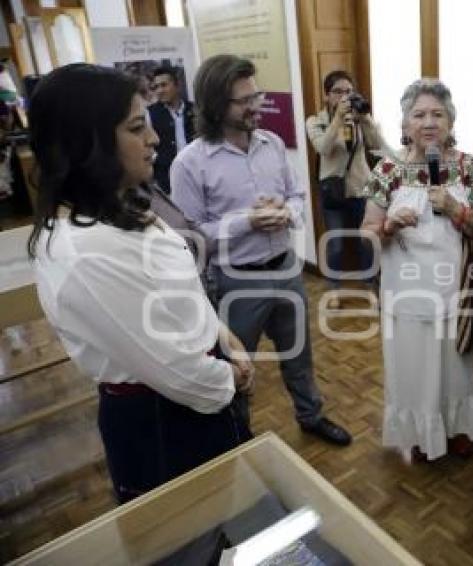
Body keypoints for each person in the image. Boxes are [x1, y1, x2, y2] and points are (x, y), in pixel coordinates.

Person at [27, 63, 254, 503]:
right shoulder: (84, 253)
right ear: (87, 142)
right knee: (191, 535)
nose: (153, 139)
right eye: (136, 128)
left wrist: (225, 339)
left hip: (201, 385)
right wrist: (231, 380)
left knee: (231, 514)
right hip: (164, 418)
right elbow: (170, 367)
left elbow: (183, 292)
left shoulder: (122, 206)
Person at [171, 54, 351, 446]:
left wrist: (288, 212)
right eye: (245, 100)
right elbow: (190, 236)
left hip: (288, 271)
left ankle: (311, 416)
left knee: (299, 359)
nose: (257, 106)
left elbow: (299, 194)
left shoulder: (271, 145)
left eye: (258, 95)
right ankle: (238, 438)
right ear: (216, 104)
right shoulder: (189, 164)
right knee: (239, 367)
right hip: (235, 282)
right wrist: (246, 223)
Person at [361, 77, 473, 462]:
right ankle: (423, 434)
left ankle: (457, 431)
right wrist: (388, 227)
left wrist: (458, 210)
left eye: (437, 114)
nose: (428, 122)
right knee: (414, 370)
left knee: (456, 370)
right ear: (405, 125)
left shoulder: (471, 169)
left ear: (451, 122)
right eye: (419, 114)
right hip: (406, 294)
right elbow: (366, 233)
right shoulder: (387, 171)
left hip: (457, 293)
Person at [306, 70, 387, 307]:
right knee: (336, 244)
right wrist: (337, 120)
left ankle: (371, 287)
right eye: (338, 91)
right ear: (326, 96)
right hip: (334, 193)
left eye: (349, 91)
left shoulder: (358, 118)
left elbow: (376, 145)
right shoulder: (315, 121)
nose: (344, 96)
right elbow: (323, 147)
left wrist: (366, 119)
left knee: (367, 241)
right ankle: (333, 290)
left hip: (362, 189)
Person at [147, 65, 196, 195]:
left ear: (177, 85)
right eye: (156, 87)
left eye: (164, 85)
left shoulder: (195, 110)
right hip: (166, 182)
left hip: (196, 176)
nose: (159, 91)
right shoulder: (150, 113)